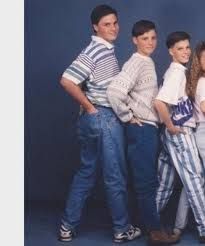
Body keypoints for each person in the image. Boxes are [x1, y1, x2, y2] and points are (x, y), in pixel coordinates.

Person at [58, 4, 141, 243]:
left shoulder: (104, 50)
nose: (113, 28)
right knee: (114, 175)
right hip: (102, 118)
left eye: (115, 22)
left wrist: (89, 108)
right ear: (96, 27)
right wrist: (93, 108)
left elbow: (93, 84)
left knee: (86, 172)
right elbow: (66, 80)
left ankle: (67, 226)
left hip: (92, 119)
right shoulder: (95, 51)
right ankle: (121, 228)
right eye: (107, 24)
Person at [107, 20, 179, 245]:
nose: (150, 42)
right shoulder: (138, 61)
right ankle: (155, 233)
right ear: (134, 40)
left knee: (143, 179)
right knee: (146, 181)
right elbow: (114, 92)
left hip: (147, 129)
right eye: (144, 38)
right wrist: (129, 116)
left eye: (153, 38)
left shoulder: (144, 62)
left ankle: (146, 224)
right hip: (142, 130)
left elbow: (132, 94)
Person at [154, 31, 205, 243]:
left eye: (186, 47)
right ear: (171, 51)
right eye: (179, 48)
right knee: (194, 179)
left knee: (165, 183)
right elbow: (159, 102)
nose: (185, 52)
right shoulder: (176, 73)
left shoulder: (178, 72)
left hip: (172, 135)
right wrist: (172, 127)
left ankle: (149, 223)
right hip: (179, 133)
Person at [172, 40, 205, 241]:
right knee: (195, 180)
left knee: (193, 181)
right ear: (199, 62)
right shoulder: (202, 82)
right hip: (203, 133)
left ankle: (178, 226)